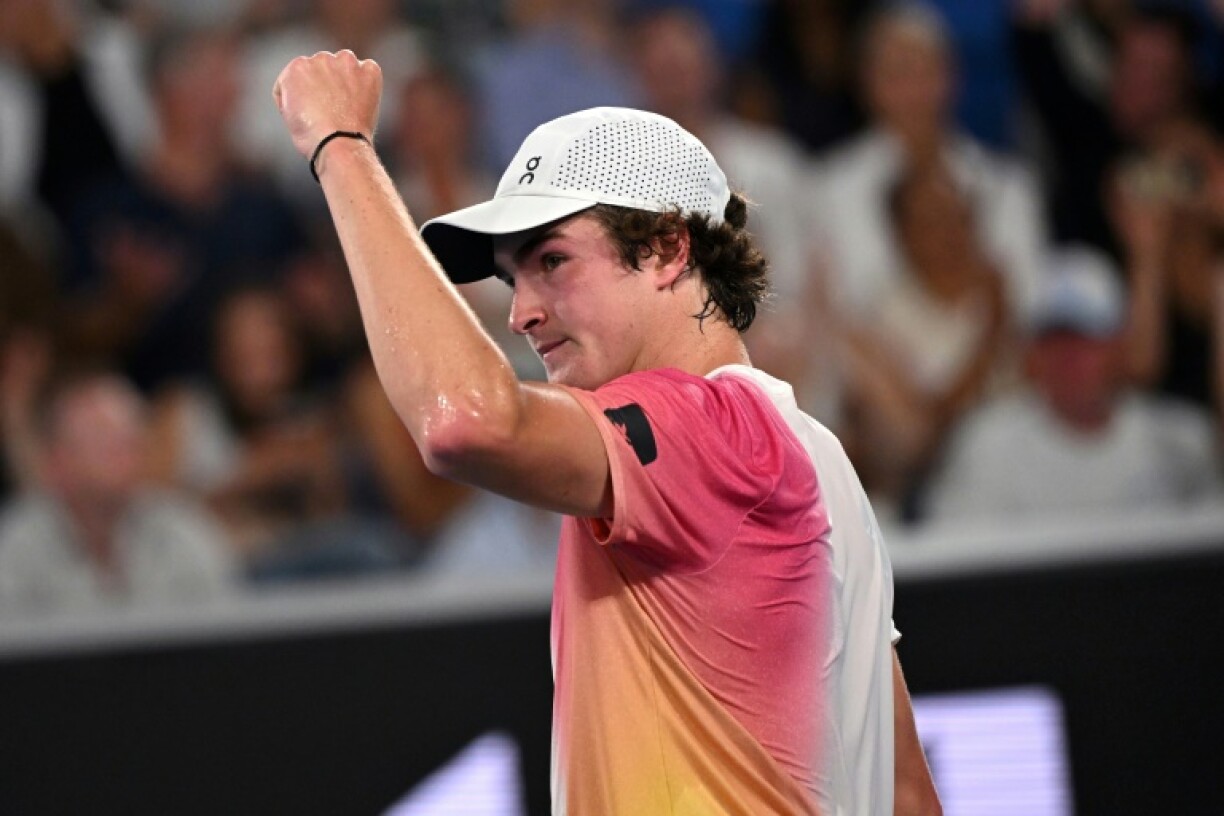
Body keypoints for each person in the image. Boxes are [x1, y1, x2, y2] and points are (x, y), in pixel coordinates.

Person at [273, 53, 940, 815]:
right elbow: (908, 794)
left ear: (666, 249)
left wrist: (343, 147)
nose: (521, 312)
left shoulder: (712, 429)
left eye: (552, 261)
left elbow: (466, 419)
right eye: (511, 278)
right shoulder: (821, 461)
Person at [922, 246, 1223, 522]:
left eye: (1086, 339)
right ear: (1031, 356)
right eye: (1052, 341)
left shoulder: (1180, 441)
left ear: (1119, 347)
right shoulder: (987, 444)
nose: (1068, 358)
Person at [0, 371, 236, 616]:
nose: (124, 452)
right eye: (103, 438)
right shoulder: (14, 547)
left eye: (130, 438)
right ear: (57, 461)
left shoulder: (183, 529)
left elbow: (224, 633)